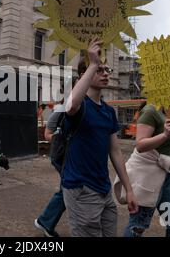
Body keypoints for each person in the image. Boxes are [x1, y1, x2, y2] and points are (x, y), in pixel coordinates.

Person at [61, 37, 138, 237]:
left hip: (104, 191)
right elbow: (70, 106)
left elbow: (115, 151)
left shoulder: (108, 111)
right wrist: (92, 62)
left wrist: (128, 189)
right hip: (81, 189)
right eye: (99, 70)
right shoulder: (80, 105)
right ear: (84, 74)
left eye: (106, 70)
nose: (105, 73)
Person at [117, 102, 170, 237]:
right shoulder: (150, 110)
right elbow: (140, 144)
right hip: (148, 178)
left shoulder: (165, 112)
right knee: (137, 227)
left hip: (166, 176)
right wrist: (164, 135)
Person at [34, 100, 69, 238]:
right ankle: (46, 221)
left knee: (69, 189)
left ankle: (46, 222)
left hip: (75, 157)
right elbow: (47, 134)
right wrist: (61, 138)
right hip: (62, 156)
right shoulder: (61, 110)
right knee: (69, 189)